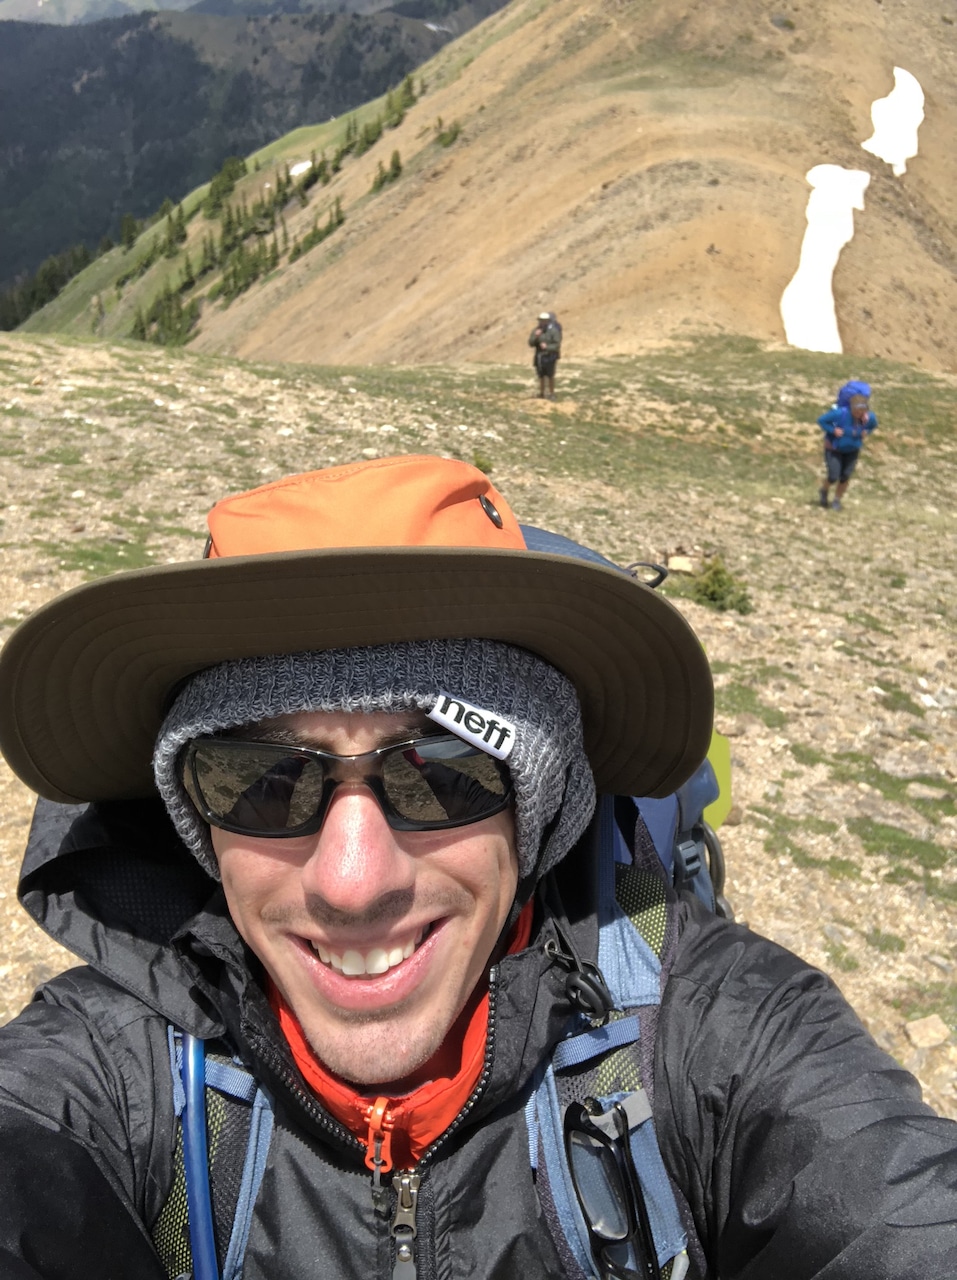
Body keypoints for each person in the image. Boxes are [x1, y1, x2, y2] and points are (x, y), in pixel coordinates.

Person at [0, 453, 954, 1280]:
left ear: (537, 814)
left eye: (440, 775)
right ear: (194, 821)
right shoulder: (109, 1074)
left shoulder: (719, 1040)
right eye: (260, 780)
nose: (351, 880)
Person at [818, 380, 878, 511]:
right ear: (851, 407)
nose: (858, 414)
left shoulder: (868, 418)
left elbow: (873, 425)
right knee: (833, 476)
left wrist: (866, 431)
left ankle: (836, 501)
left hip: (852, 450)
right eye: (856, 412)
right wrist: (833, 430)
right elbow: (822, 420)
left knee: (845, 476)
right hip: (834, 448)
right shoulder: (840, 413)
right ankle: (824, 490)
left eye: (861, 412)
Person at [528, 309, 562, 398]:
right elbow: (531, 343)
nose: (542, 323)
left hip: (550, 356)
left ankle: (551, 393)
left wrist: (547, 347)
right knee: (541, 375)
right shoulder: (536, 330)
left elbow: (557, 345)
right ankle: (542, 393)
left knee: (550, 375)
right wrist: (536, 336)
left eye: (544, 321)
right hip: (539, 356)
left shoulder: (553, 331)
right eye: (541, 321)